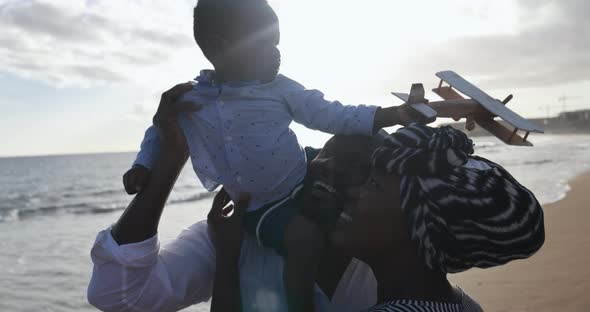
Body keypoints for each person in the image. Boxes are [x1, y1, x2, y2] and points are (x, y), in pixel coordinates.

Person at [121, 0, 432, 310]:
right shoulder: (191, 99)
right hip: (262, 205)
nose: (277, 51)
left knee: (329, 229)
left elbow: (332, 114)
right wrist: (143, 165)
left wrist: (394, 114)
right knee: (306, 241)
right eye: (266, 44)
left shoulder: (280, 89)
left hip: (303, 181)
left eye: (277, 42)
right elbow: (159, 132)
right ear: (219, 47)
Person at [88, 83, 382, 312]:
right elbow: (120, 297)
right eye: (327, 155)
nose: (331, 167)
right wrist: (171, 157)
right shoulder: (235, 236)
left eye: (359, 168)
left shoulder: (392, 259)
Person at [208, 124, 545, 311]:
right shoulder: (465, 306)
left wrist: (226, 260)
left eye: (372, 184)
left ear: (418, 226)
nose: (351, 192)